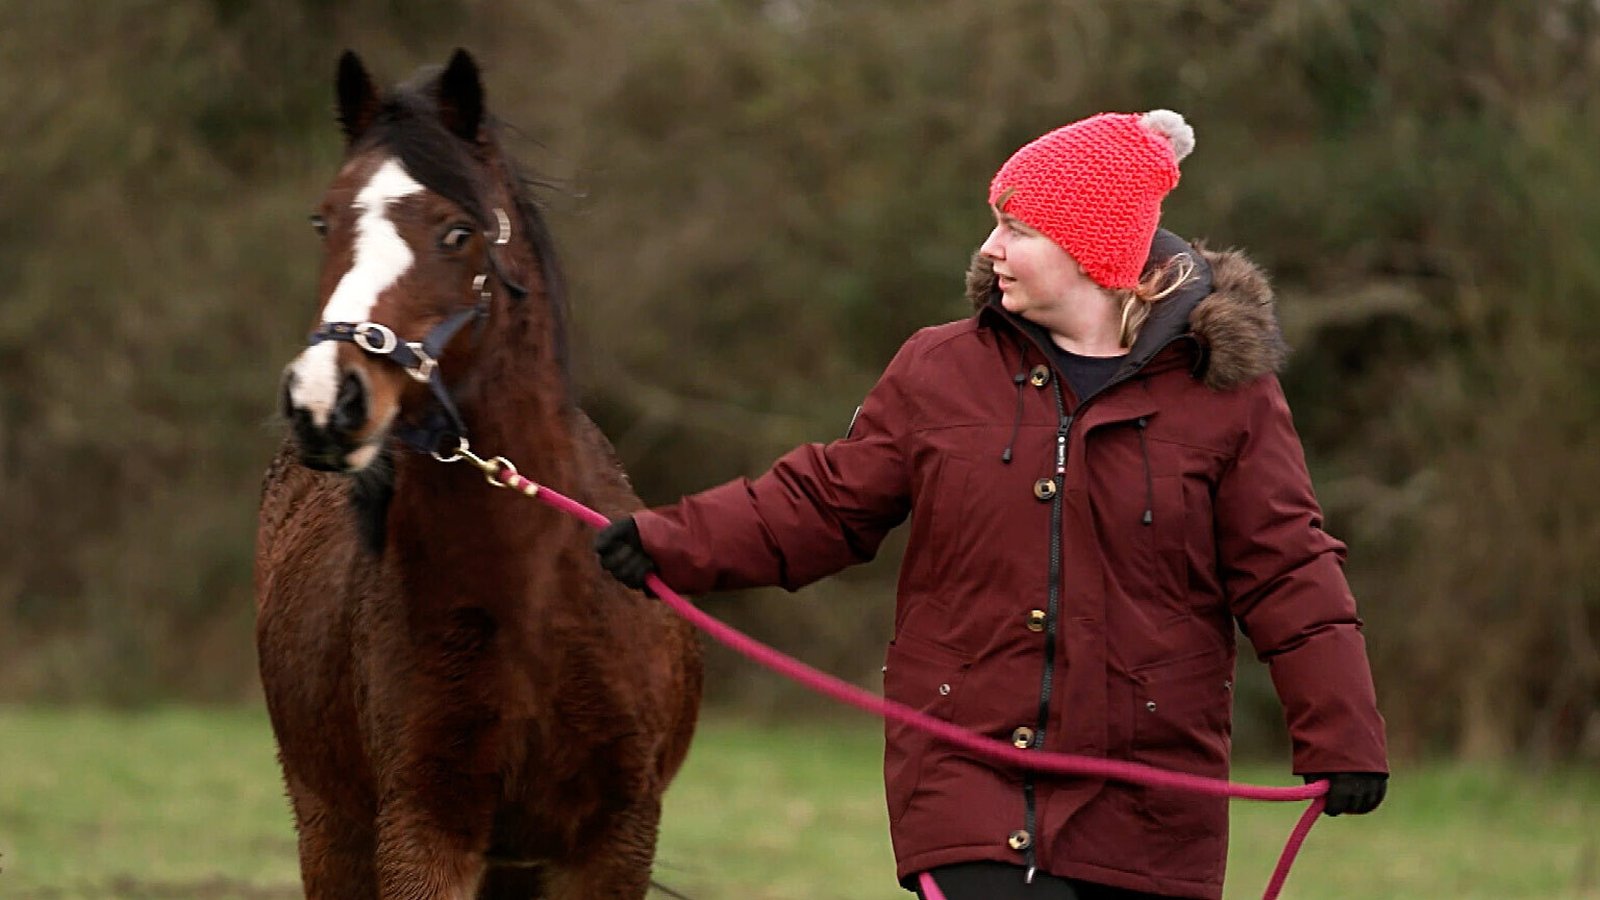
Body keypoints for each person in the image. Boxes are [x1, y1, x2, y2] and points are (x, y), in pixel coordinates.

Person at [595, 110, 1388, 900]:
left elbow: (1288, 571)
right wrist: (667, 541)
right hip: (964, 777)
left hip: (1152, 803)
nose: (989, 248)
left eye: (1016, 228)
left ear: (1091, 249)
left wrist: (1342, 733)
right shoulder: (937, 369)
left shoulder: (1229, 398)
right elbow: (825, 503)